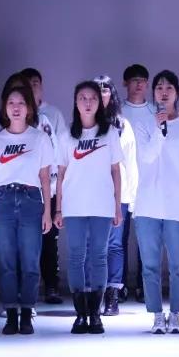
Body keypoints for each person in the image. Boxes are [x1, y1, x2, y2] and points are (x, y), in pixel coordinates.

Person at [134, 70, 179, 334]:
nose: (164, 92)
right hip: (148, 205)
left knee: (178, 265)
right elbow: (146, 158)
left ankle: (175, 313)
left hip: (177, 205)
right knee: (150, 265)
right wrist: (158, 130)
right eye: (159, 88)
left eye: (169, 88)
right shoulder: (144, 124)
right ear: (154, 93)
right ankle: (156, 315)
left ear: (177, 93)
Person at [0, 85, 53, 335]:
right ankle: (11, 314)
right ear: (5, 108)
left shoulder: (40, 138)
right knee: (7, 261)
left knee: (30, 261)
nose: (16, 107)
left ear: (29, 109)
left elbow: (45, 177)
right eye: (11, 103)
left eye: (21, 103)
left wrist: (47, 210)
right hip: (2, 201)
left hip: (31, 200)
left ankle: (27, 314)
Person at [55, 80, 123, 335]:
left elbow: (116, 172)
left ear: (99, 103)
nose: (87, 102)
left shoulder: (110, 133)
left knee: (99, 256)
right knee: (76, 257)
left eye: (92, 98)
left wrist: (117, 206)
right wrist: (58, 208)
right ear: (75, 102)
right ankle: (80, 314)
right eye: (82, 98)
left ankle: (95, 314)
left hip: (102, 205)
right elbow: (60, 174)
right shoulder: (66, 136)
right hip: (73, 205)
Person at [21, 67, 67, 304]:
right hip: (23, 188)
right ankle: (24, 288)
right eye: (26, 83)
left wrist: (58, 188)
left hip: (49, 185)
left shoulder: (52, 115)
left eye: (35, 83)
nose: (32, 87)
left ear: (41, 86)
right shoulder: (10, 115)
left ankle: (51, 285)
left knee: (49, 239)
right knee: (24, 241)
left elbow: (60, 151)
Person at [107, 63, 152, 311]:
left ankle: (144, 285)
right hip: (121, 186)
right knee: (118, 238)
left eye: (142, 80)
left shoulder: (153, 111)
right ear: (125, 83)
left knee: (145, 238)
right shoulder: (118, 113)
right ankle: (119, 285)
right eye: (134, 80)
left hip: (149, 183)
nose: (138, 84)